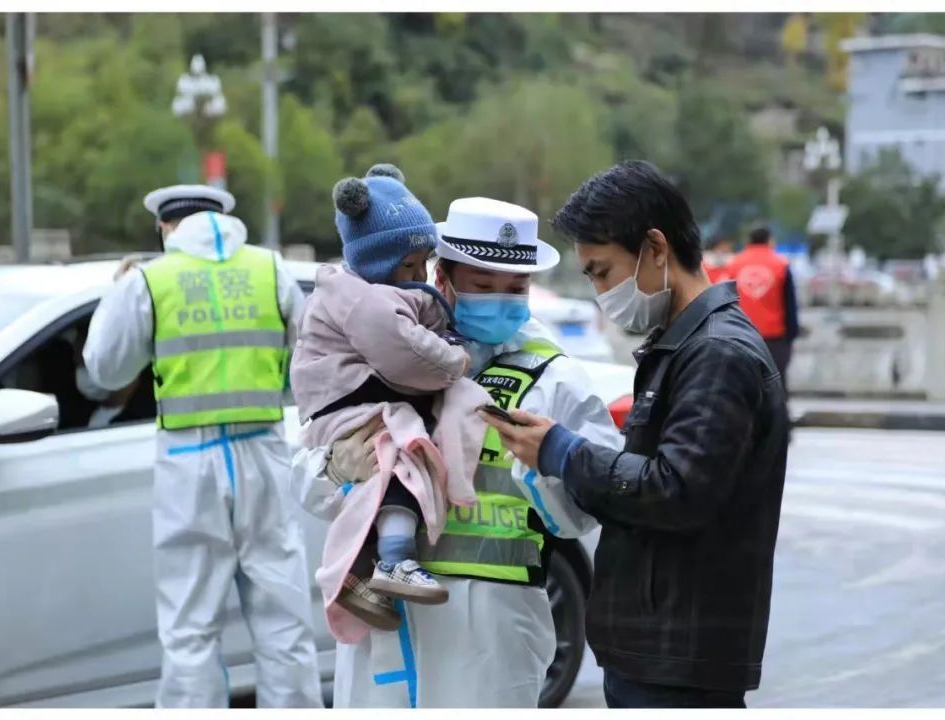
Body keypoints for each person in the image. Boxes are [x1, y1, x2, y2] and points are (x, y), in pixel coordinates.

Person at [480, 161, 790, 709]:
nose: (600, 291)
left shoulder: (717, 354)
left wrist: (561, 450)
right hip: (653, 649)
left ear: (654, 247)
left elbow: (676, 490)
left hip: (680, 659)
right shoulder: (679, 345)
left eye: (603, 272)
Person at [292, 195, 623, 708]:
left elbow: (592, 506)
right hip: (387, 623)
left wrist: (543, 468)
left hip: (493, 628)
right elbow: (306, 473)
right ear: (440, 278)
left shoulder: (554, 378)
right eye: (482, 285)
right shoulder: (384, 354)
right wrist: (335, 468)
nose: (500, 299)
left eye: (515, 288)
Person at [82, 185, 322, 708]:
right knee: (285, 624)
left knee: (190, 629)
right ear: (223, 221)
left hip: (188, 464)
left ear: (165, 228)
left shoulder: (150, 279)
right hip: (264, 451)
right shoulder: (269, 269)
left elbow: (105, 368)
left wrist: (117, 294)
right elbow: (309, 363)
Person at [291, 163, 487, 636]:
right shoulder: (366, 300)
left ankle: (365, 577)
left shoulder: (381, 294)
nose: (420, 275)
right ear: (377, 261)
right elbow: (411, 356)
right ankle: (394, 559)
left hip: (463, 631)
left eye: (426, 263)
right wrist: (460, 359)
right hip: (347, 410)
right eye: (408, 265)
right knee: (399, 452)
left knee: (386, 462)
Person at [727, 226, 800, 391]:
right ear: (770, 240)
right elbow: (790, 304)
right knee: (775, 384)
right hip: (774, 338)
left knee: (743, 385)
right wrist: (792, 334)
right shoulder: (780, 264)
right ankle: (778, 416)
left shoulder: (734, 264)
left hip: (741, 334)